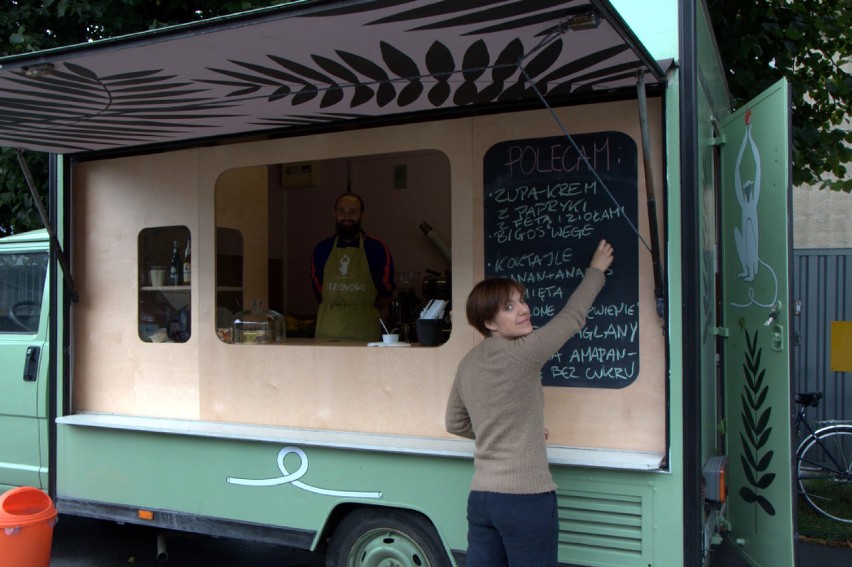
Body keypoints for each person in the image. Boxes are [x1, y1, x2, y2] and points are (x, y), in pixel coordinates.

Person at [445, 239, 614, 567]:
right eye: (509, 307)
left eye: (521, 301)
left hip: (482, 499)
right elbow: (572, 317)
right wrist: (596, 270)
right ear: (490, 323)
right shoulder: (524, 352)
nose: (523, 310)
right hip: (526, 499)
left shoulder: (467, 363)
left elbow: (455, 423)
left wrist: (510, 431)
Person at [311, 192, 395, 342]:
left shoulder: (376, 248)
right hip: (328, 330)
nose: (346, 217)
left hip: (363, 330)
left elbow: (387, 292)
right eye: (341, 211)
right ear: (334, 214)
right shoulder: (322, 249)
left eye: (353, 212)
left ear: (362, 215)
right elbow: (317, 287)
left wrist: (361, 308)